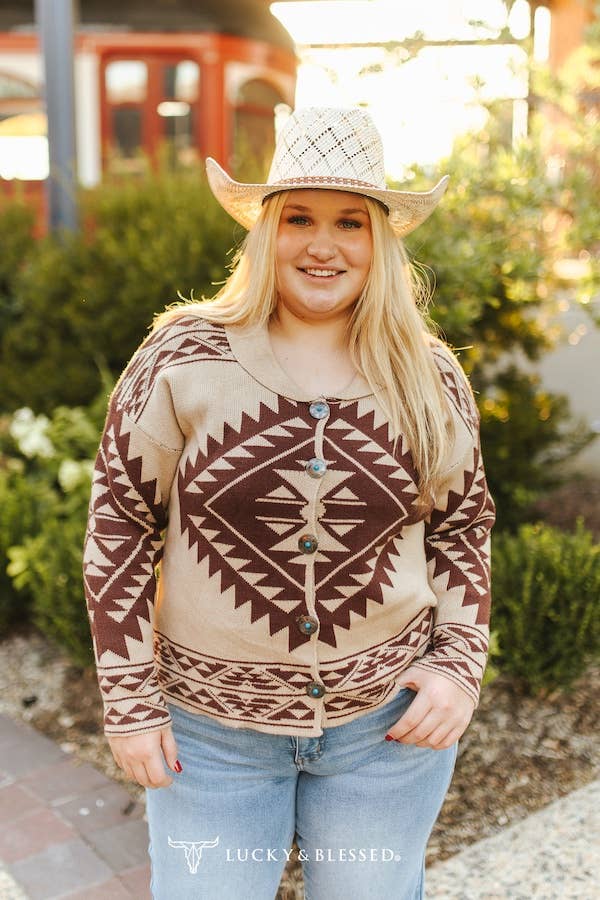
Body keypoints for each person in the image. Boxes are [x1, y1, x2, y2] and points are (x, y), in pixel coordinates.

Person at [83, 106, 495, 900]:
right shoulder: (181, 356)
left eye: (351, 222)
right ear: (265, 231)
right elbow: (119, 527)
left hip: (387, 734)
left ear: (382, 241)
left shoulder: (430, 376)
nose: (322, 243)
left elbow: (463, 526)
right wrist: (130, 703)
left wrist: (457, 665)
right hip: (211, 743)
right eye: (299, 216)